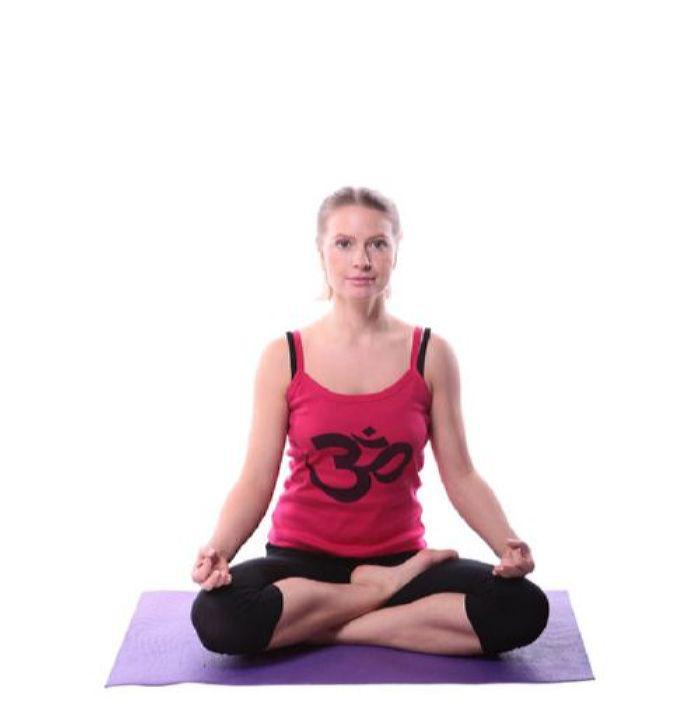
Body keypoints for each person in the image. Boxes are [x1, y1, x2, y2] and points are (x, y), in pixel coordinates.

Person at [189, 186, 549, 657]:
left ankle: (327, 625)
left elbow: (461, 474)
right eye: (344, 243)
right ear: (321, 252)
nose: (361, 260)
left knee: (521, 607)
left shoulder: (430, 354)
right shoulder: (284, 356)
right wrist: (219, 550)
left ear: (396, 251)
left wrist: (507, 545)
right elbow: (256, 480)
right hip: (301, 564)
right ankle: (377, 596)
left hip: (401, 561)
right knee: (217, 616)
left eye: (377, 243)